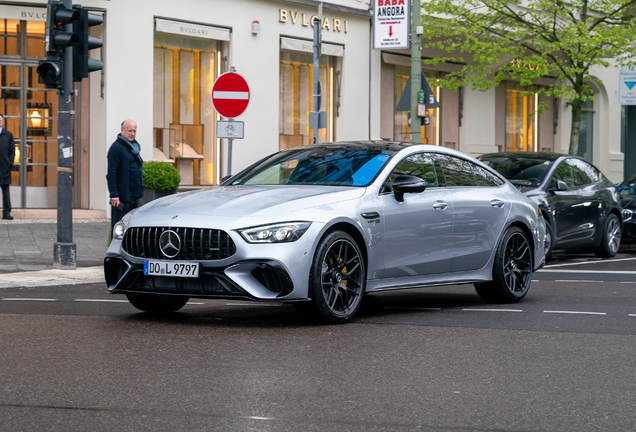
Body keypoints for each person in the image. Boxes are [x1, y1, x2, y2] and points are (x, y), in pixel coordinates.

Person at [107, 119, 143, 238]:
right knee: (120, 228)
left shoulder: (134, 148)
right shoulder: (116, 148)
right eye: (129, 131)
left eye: (134, 131)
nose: (132, 133)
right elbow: (111, 174)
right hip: (123, 197)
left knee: (132, 228)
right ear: (122, 130)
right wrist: (114, 195)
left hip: (134, 195)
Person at [0, 114, 15, 220]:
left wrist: (9, 162)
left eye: (0, 120)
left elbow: (12, 150)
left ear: (3, 121)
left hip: (4, 167)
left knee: (5, 191)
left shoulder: (8, 135)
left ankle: (6, 212)